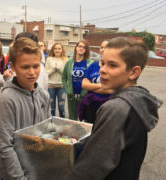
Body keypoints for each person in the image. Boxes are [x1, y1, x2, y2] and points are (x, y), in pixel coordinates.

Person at [67, 37, 163, 180]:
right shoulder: (139, 100)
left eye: (112, 65)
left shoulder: (116, 108)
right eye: (103, 63)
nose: (102, 70)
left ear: (134, 72)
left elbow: (93, 164)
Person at [0, 37, 51, 180]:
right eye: (25, 67)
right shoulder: (7, 99)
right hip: (15, 174)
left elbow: (47, 133)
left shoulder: (44, 95)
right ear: (12, 67)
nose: (32, 72)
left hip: (38, 169)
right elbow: (5, 146)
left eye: (36, 66)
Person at [78, 40, 113, 123]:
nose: (103, 49)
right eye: (101, 47)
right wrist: (102, 86)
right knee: (90, 130)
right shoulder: (93, 65)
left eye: (106, 47)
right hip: (91, 105)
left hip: (107, 106)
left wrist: (91, 87)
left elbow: (110, 90)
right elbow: (84, 84)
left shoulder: (113, 67)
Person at [62, 40, 94, 120]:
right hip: (72, 96)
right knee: (72, 118)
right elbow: (64, 77)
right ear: (76, 48)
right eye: (80, 46)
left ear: (86, 50)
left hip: (85, 96)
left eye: (84, 47)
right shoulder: (69, 62)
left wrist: (86, 92)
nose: (81, 48)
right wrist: (67, 90)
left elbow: (92, 79)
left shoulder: (90, 63)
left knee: (85, 117)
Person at [45, 43, 67, 117]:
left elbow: (66, 74)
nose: (57, 50)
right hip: (51, 86)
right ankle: (52, 124)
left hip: (62, 86)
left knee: (61, 108)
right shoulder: (49, 59)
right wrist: (53, 69)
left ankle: (62, 123)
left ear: (62, 49)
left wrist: (59, 69)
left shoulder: (66, 59)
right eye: (55, 49)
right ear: (53, 50)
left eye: (59, 48)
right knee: (52, 108)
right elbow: (46, 73)